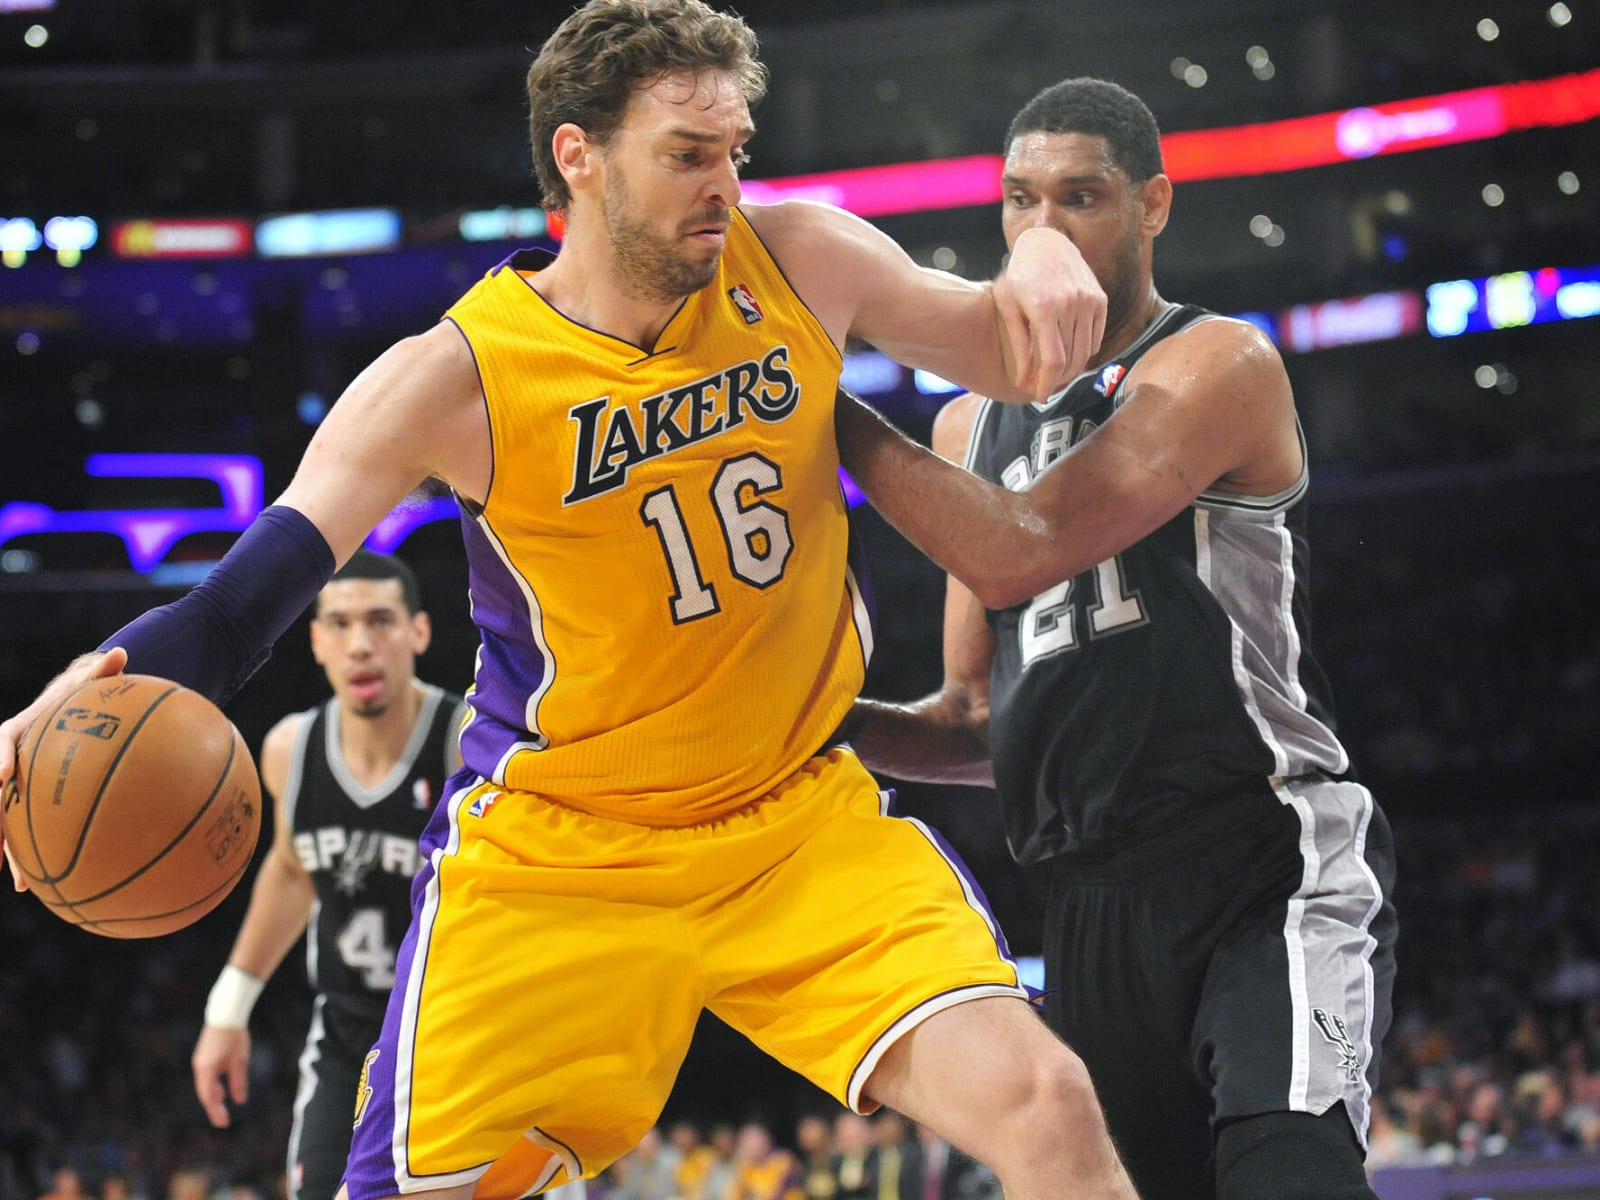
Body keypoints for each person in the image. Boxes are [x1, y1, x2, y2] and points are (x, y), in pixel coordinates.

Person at [0, 4, 1136, 1200]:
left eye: (735, 151)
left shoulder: (802, 255)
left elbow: (1021, 355)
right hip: (561, 855)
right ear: (578, 158)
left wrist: (1048, 244)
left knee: (1052, 1109)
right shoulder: (453, 377)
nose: (724, 185)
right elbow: (243, 603)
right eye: (686, 156)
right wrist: (93, 684)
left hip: (796, 821)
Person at [835, 77, 1398, 1200]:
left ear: (1151, 206)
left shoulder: (1214, 363)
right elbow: (974, 722)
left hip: (1261, 856)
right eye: (1019, 199)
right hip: (1085, 897)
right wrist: (810, 725)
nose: (1043, 227)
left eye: (1081, 196)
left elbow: (1018, 547)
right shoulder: (965, 424)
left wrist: (825, 412)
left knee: (1290, 1174)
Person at [188, 551, 467, 1200]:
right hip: (350, 1034)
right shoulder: (289, 749)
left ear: (418, 633)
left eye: (380, 622)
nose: (361, 645)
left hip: (462, 1029)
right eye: (339, 625)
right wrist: (227, 1011)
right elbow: (291, 871)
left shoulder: (467, 744)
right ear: (315, 641)